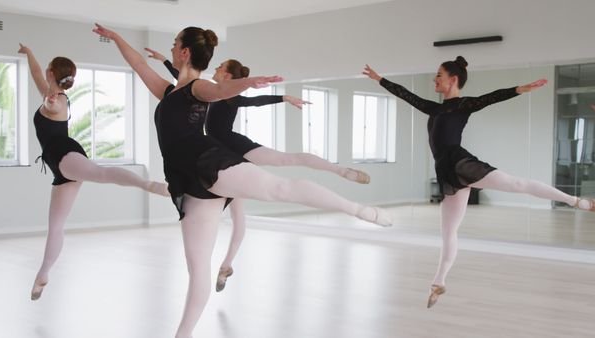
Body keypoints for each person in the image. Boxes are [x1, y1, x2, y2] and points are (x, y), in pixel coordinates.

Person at [93, 24, 391, 338]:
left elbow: (221, 91)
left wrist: (249, 83)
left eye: (174, 44)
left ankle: (359, 210)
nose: (170, 48)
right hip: (187, 184)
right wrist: (115, 39)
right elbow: (138, 65)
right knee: (197, 270)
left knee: (280, 188)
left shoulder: (199, 87)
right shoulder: (169, 92)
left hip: (209, 162)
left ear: (184, 52)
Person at [363, 57, 595, 308]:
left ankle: (576, 201)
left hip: (461, 163)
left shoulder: (463, 105)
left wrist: (520, 90)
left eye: (439, 75)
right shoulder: (433, 108)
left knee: (517, 184)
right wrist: (380, 79)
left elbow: (491, 97)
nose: (435, 79)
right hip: (446, 172)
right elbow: (407, 95)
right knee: (448, 232)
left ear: (453, 79)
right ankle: (439, 283)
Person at [145, 48, 372, 292]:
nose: (217, 68)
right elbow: (182, 86)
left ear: (229, 76)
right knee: (238, 219)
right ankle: (226, 267)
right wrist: (166, 61)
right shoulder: (202, 90)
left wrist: (283, 98)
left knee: (288, 160)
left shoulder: (228, 95)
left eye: (221, 66)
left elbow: (253, 101)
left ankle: (340, 170)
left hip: (236, 151)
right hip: (216, 164)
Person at [18, 43, 170, 301]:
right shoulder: (50, 91)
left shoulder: (58, 100)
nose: (43, 70)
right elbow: (35, 74)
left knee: (101, 173)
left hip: (65, 153)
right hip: (60, 166)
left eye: (47, 68)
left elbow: (52, 105)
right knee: (55, 226)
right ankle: (42, 274)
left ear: (53, 73)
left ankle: (150, 185)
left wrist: (49, 102)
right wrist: (30, 52)